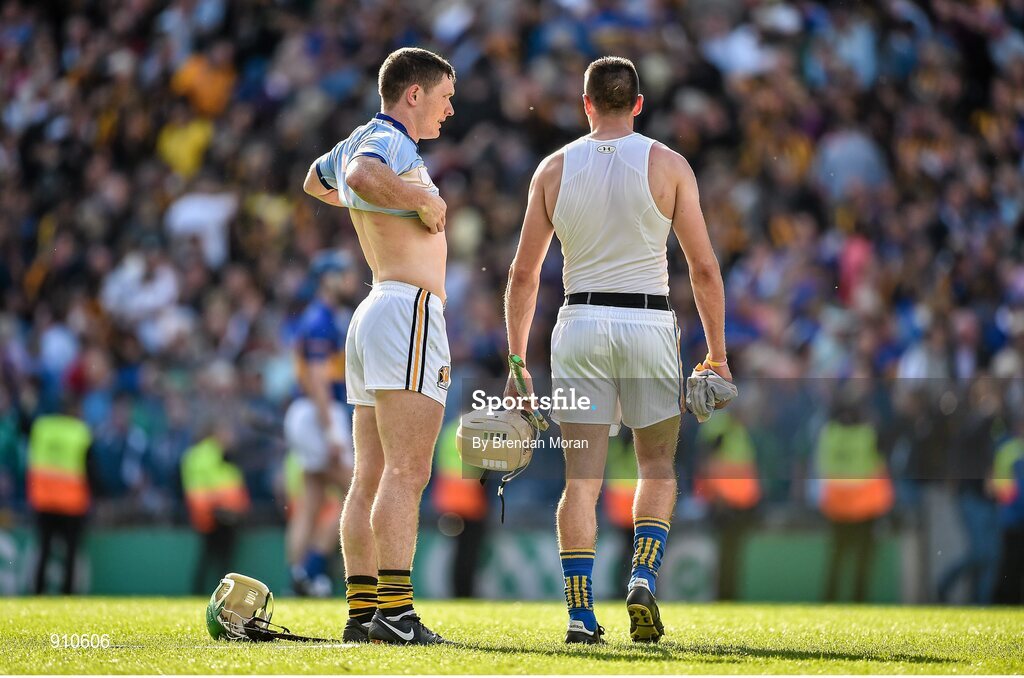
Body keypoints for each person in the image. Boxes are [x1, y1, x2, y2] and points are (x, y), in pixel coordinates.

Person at [504, 56, 729, 644]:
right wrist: (718, 354)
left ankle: (580, 616)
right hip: (649, 322)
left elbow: (524, 276)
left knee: (581, 480)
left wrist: (515, 360)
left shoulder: (553, 169)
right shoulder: (670, 164)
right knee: (657, 465)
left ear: (584, 105)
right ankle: (643, 576)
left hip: (578, 322)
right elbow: (703, 269)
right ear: (637, 104)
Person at [302, 47, 455, 645]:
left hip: (374, 312)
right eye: (443, 96)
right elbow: (362, 176)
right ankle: (396, 612)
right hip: (407, 311)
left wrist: (374, 199)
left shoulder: (363, 139)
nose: (449, 109)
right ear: (412, 94)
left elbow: (318, 180)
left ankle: (363, 613)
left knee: (370, 474)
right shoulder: (389, 140)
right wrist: (417, 199)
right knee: (408, 470)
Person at [283, 250, 357, 597]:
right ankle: (312, 566)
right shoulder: (321, 319)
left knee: (310, 501)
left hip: (310, 413)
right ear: (329, 279)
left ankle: (298, 577)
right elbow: (317, 380)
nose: (350, 280)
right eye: (344, 273)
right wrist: (330, 429)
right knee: (357, 491)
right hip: (318, 413)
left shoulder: (321, 317)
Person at [27, 398, 96, 594]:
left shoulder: (42, 428)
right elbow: (90, 468)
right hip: (71, 504)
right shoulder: (80, 432)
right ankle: (67, 594)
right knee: (71, 554)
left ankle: (38, 592)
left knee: (44, 551)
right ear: (74, 410)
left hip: (44, 501)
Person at [181, 420, 250, 595]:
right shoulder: (215, 454)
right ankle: (222, 596)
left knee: (207, 558)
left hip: (205, 513)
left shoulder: (194, 454)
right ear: (217, 433)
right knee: (222, 561)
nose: (231, 437)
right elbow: (227, 484)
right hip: (220, 513)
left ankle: (198, 593)